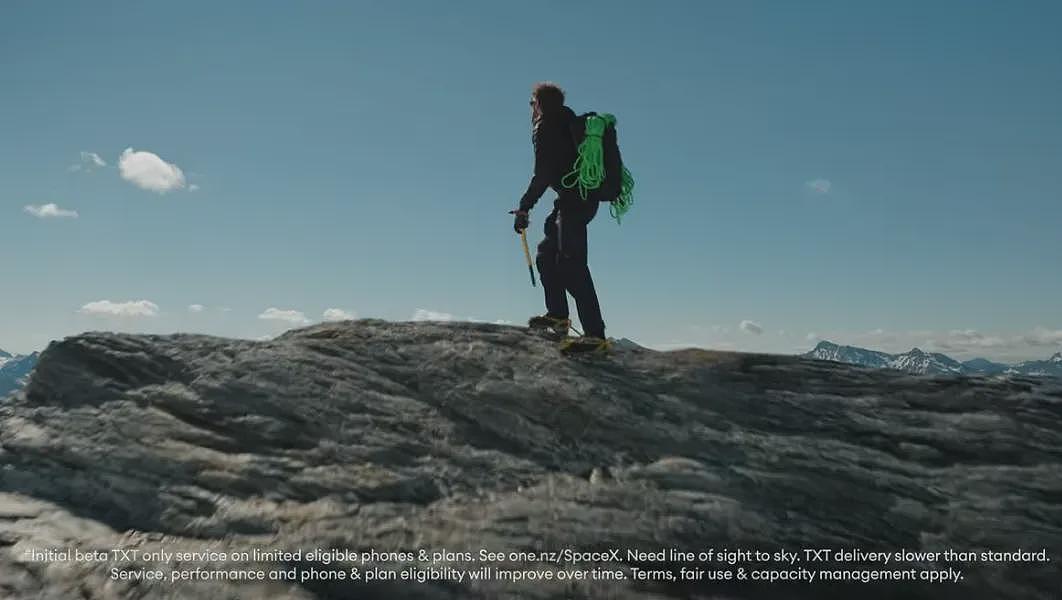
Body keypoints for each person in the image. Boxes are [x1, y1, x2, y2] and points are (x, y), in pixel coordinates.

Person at [512, 82, 608, 353]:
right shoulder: (569, 121)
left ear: (539, 103)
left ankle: (595, 336)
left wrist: (524, 207)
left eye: (532, 104)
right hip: (575, 200)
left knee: (571, 264)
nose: (531, 109)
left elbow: (542, 174)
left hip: (575, 201)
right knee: (545, 255)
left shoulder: (546, 126)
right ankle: (557, 316)